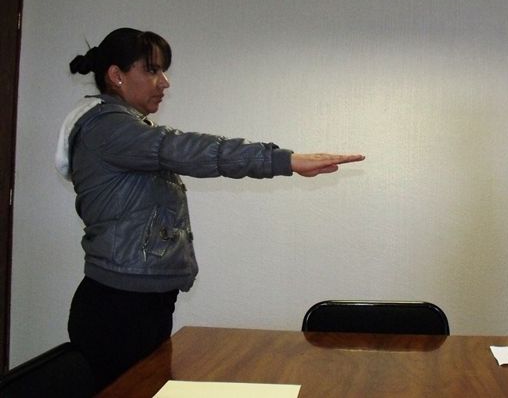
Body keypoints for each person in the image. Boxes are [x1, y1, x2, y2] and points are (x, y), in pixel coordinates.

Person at [55, 27, 364, 391]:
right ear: (116, 75)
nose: (164, 82)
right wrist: (285, 160)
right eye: (152, 70)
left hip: (139, 303)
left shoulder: (122, 128)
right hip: (119, 310)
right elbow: (185, 148)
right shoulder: (108, 129)